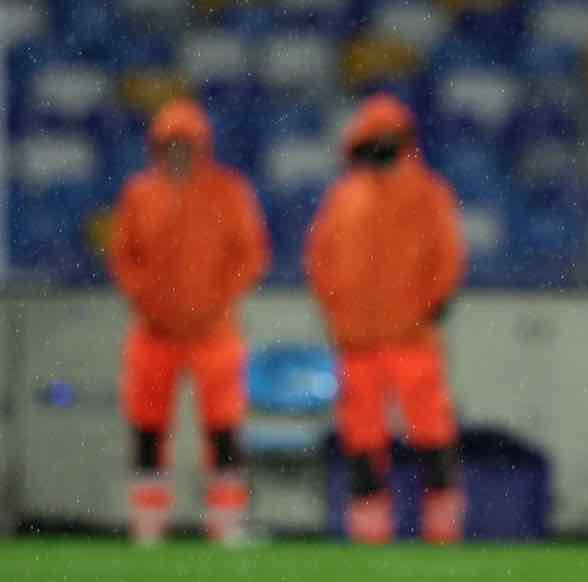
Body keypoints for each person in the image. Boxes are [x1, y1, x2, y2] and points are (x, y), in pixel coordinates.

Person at [306, 93, 467, 545]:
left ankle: (442, 523)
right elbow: (320, 260)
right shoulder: (344, 196)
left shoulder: (429, 193)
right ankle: (368, 528)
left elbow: (446, 254)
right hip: (358, 341)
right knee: (361, 437)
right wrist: (338, 312)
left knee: (431, 431)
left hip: (411, 338)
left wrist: (432, 303)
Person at [109, 97, 270, 545]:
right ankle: (147, 524)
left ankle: (225, 522)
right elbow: (124, 257)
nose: (178, 152)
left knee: (223, 428)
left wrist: (216, 301)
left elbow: (251, 254)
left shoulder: (229, 191)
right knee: (147, 427)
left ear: (201, 146)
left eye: (186, 144)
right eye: (170, 144)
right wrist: (147, 299)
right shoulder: (139, 193)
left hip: (214, 333)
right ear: (157, 146)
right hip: (153, 333)